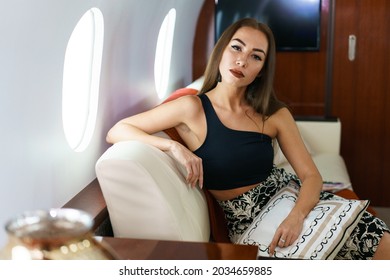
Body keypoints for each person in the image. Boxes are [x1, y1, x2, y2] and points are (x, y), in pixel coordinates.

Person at [106, 18, 390, 259]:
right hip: (251, 222)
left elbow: (311, 176)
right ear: (221, 51)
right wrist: (171, 146)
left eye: (256, 56)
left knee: (382, 243)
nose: (242, 60)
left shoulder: (274, 115)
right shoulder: (191, 108)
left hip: (294, 203)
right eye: (236, 48)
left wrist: (296, 217)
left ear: (261, 70)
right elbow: (118, 130)